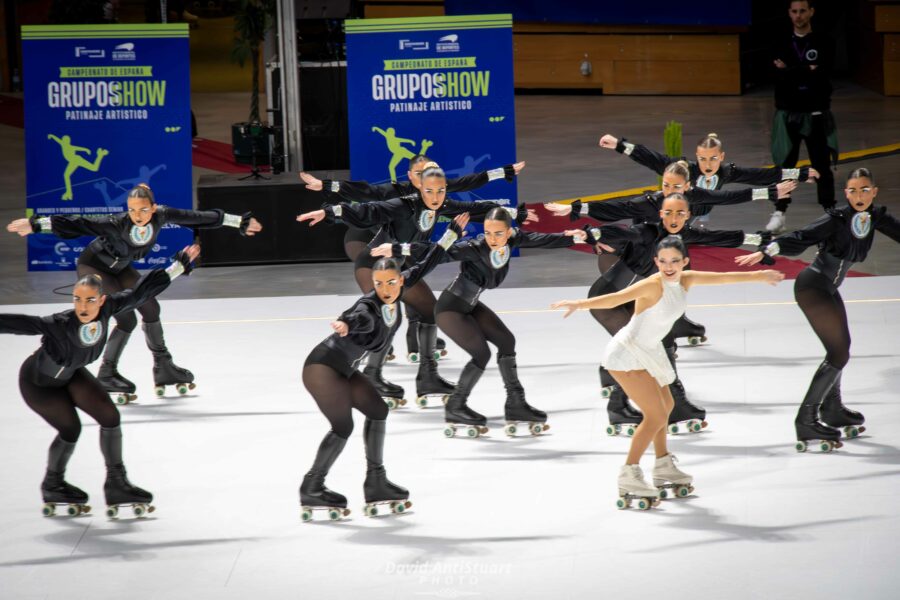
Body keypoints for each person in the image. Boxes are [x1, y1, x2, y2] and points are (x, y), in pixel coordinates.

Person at [552, 236, 784, 510]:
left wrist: (759, 275)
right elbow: (616, 298)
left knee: (668, 405)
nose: (669, 266)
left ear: (684, 261)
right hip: (627, 352)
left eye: (675, 260)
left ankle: (663, 466)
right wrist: (579, 304)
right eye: (662, 261)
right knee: (656, 415)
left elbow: (722, 279)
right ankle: (629, 474)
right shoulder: (652, 284)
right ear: (656, 262)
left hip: (650, 351)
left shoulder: (686, 279)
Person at [298, 164, 536, 406]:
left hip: (399, 268)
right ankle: (371, 375)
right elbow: (369, 208)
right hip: (374, 266)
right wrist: (332, 211)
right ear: (418, 184)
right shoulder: (405, 203)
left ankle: (428, 378)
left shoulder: (441, 203)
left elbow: (473, 207)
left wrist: (513, 213)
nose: (435, 197)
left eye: (440, 191)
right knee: (389, 318)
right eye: (429, 190)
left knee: (428, 311)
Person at [7, 184, 262, 403]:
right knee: (125, 317)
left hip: (121, 267)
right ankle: (107, 372)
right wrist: (35, 224)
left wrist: (238, 221)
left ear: (153, 207)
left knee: (151, 307)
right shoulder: (116, 223)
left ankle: (163, 366)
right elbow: (80, 222)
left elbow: (197, 217)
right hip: (95, 265)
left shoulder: (162, 215)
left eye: (142, 209)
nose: (137, 215)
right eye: (132, 209)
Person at [1, 245, 200, 518]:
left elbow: (143, 290)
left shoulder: (110, 309)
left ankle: (117, 484)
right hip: (39, 385)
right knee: (70, 430)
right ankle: (53, 484)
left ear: (102, 300)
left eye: (90, 301)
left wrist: (178, 266)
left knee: (110, 416)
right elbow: (20, 323)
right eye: (78, 300)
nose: (83, 307)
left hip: (71, 375)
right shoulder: (59, 323)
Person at [299, 218, 464, 521]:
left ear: (401, 280)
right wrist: (344, 322)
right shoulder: (369, 305)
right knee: (343, 427)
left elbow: (429, 261)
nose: (385, 289)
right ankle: (312, 486)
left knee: (377, 410)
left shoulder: (402, 287)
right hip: (322, 367)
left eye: (391, 282)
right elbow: (356, 314)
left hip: (344, 368)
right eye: (378, 284)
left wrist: (450, 236)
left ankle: (376, 481)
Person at [372, 207, 585, 436]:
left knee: (506, 341)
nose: (492, 239)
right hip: (450, 310)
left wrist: (573, 236)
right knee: (481, 354)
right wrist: (398, 248)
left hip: (470, 305)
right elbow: (437, 252)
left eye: (498, 234)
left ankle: (516, 404)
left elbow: (543, 240)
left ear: (509, 231)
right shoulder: (474, 247)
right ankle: (456, 405)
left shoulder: (514, 239)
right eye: (488, 233)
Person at [543, 161, 795, 346]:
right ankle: (620, 387)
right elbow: (618, 217)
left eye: (676, 188)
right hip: (630, 264)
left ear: (687, 188)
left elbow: (723, 216)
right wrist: (582, 219)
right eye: (665, 186)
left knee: (676, 270)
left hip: (652, 264)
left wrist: (762, 239)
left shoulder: (691, 210)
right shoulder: (649, 214)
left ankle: (676, 323)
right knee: (640, 339)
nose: (670, 192)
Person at [579, 193, 772, 436]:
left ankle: (669, 403)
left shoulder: (682, 236)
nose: (674, 218)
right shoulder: (647, 232)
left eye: (680, 213)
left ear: (688, 215)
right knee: (639, 349)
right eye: (668, 212)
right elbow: (622, 233)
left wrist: (759, 239)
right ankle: (624, 407)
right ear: (660, 214)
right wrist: (593, 234)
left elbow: (717, 236)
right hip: (607, 300)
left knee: (663, 341)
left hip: (630, 299)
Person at [736, 167, 900, 452]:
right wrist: (768, 251)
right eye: (852, 190)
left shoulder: (876, 217)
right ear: (845, 193)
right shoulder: (836, 219)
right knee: (838, 353)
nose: (858, 196)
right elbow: (802, 235)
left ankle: (832, 409)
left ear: (874, 191)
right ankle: (806, 419)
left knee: (841, 349)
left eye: (864, 190)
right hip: (813, 287)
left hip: (828, 288)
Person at [597, 132, 818, 231]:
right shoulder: (685, 169)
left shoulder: (727, 172)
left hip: (690, 216)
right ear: (697, 156)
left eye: (713, 158)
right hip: (665, 210)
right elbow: (651, 158)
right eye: (703, 158)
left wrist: (799, 173)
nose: (707, 164)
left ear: (721, 157)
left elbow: (759, 175)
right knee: (641, 222)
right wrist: (618, 144)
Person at [770, 0, 838, 233]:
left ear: (811, 12)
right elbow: (776, 78)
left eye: (802, 11)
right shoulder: (781, 42)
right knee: (786, 166)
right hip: (788, 113)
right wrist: (806, 70)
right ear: (789, 14)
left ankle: (830, 211)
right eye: (794, 11)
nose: (798, 16)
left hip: (816, 113)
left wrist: (789, 70)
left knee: (821, 165)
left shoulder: (824, 42)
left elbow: (825, 74)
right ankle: (779, 212)